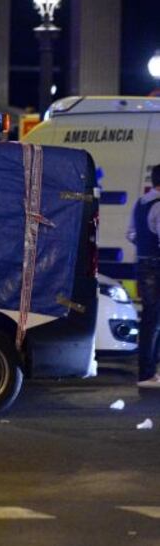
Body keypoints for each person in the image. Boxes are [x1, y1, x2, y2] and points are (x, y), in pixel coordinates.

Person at [127, 164, 160, 388]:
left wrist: (145, 247)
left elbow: (131, 234)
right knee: (153, 320)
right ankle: (147, 373)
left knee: (151, 318)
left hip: (144, 263)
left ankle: (149, 372)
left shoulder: (141, 203)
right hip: (157, 265)